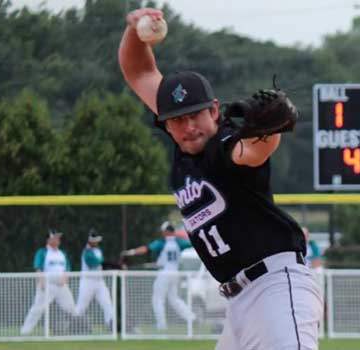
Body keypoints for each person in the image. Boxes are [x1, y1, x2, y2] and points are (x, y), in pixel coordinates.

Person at [119, 8, 320, 349]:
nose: (188, 126)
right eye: (177, 119)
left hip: (275, 288)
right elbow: (138, 71)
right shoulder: (184, 142)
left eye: (195, 114)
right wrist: (132, 30)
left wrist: (270, 128)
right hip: (238, 302)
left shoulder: (224, 145)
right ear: (165, 123)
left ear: (214, 110)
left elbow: (255, 151)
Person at [121, 221, 195, 330]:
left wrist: (130, 252)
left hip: (164, 273)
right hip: (175, 273)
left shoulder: (162, 243)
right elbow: (191, 244)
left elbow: (145, 249)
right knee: (174, 298)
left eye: (163, 231)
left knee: (157, 299)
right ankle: (191, 318)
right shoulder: (180, 242)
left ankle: (161, 325)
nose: (162, 233)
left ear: (166, 232)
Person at [21, 230, 77, 335]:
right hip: (47, 285)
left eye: (58, 238)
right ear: (49, 239)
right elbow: (38, 268)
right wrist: (41, 281)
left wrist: (65, 280)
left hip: (61, 286)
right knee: (37, 309)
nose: (58, 239)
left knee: (71, 308)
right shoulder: (42, 252)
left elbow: (67, 268)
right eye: (55, 237)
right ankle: (25, 332)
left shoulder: (62, 253)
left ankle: (76, 330)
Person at [74, 229, 115, 328]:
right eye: (95, 240)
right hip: (87, 282)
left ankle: (111, 325)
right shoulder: (86, 252)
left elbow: (102, 266)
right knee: (81, 307)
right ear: (90, 240)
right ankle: (73, 325)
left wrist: (117, 266)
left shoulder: (98, 250)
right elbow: (96, 264)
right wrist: (116, 265)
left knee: (107, 303)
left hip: (99, 282)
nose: (97, 242)